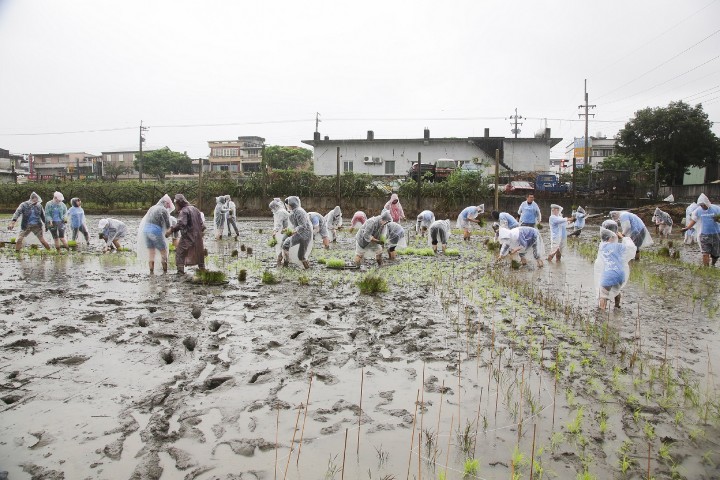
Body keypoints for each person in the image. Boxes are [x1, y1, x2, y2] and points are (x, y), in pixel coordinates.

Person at [594, 227, 637, 310]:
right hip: (620, 275)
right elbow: (631, 247)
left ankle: (602, 313)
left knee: (603, 294)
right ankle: (617, 307)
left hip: (608, 275)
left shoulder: (602, 247)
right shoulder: (619, 246)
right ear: (611, 238)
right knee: (617, 291)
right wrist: (623, 237)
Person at [167, 194, 205, 274]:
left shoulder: (184, 211)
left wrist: (171, 230)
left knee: (180, 253)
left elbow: (181, 224)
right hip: (198, 237)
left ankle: (180, 273)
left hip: (187, 237)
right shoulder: (195, 209)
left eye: (176, 204)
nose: (175, 206)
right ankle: (202, 271)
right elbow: (202, 225)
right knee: (199, 253)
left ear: (179, 203)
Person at [137, 194, 174, 274]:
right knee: (163, 252)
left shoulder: (152, 208)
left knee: (151, 252)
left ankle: (151, 272)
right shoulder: (163, 210)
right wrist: (168, 234)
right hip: (155, 231)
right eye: (168, 205)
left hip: (146, 231)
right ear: (166, 203)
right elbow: (168, 225)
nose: (168, 207)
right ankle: (165, 272)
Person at [682, 194, 720, 267]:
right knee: (705, 253)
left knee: (716, 254)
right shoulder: (698, 210)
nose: (702, 206)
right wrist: (687, 228)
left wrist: (718, 219)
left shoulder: (716, 208)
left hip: (716, 234)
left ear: (707, 203)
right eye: (701, 205)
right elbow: (694, 220)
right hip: (704, 235)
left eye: (703, 205)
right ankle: (706, 269)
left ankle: (713, 264)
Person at [280, 196, 312, 269]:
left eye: (287, 204)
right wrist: (286, 230)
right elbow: (294, 226)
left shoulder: (300, 212)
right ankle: (285, 263)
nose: (287, 206)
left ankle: (307, 268)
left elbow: (303, 225)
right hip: (298, 234)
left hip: (305, 234)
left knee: (301, 256)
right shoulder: (292, 213)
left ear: (291, 204)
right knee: (285, 245)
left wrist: (295, 230)